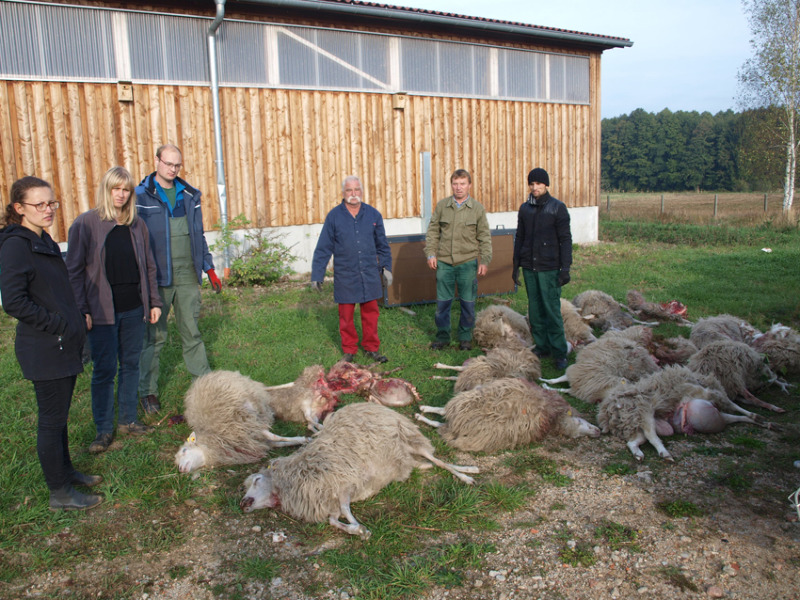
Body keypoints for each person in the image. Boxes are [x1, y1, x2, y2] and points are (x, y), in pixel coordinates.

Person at [0, 176, 103, 511]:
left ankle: (66, 471)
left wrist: (75, 318)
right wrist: (58, 324)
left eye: (51, 203)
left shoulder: (42, 239)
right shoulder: (16, 245)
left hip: (63, 343)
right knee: (51, 420)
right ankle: (59, 492)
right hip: (45, 347)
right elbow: (14, 302)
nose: (48, 210)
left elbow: (56, 291)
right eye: (39, 205)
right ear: (19, 208)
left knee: (59, 419)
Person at [66, 167, 163, 454]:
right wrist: (81, 309)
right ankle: (104, 429)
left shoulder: (137, 225)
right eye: (116, 189)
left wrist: (154, 302)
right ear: (106, 190)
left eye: (126, 190)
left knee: (131, 364)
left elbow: (149, 266)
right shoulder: (85, 224)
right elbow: (74, 272)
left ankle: (128, 420)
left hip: (133, 308)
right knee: (105, 371)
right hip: (102, 312)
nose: (121, 195)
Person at [135, 144, 221, 414]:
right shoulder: (140, 196)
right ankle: (147, 392)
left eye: (177, 165)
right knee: (154, 337)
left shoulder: (189, 195)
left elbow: (199, 234)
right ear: (157, 161)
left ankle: (204, 387)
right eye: (168, 163)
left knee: (191, 332)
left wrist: (208, 267)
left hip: (186, 275)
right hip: (156, 277)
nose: (172, 169)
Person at [311, 175, 392, 363]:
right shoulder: (334, 216)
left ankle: (372, 348)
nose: (353, 194)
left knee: (371, 314)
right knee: (346, 316)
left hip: (369, 273)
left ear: (361, 192)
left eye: (357, 190)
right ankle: (349, 351)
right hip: (346, 275)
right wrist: (317, 274)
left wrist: (386, 267)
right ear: (343, 193)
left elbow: (383, 245)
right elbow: (323, 247)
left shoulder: (373, 215)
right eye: (349, 190)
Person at [512, 167, 573, 371]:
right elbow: (519, 237)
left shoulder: (557, 208)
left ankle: (559, 351)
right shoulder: (524, 209)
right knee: (535, 310)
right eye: (532, 183)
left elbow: (565, 239)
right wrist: (516, 266)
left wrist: (565, 268)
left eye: (538, 183)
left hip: (549, 268)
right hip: (530, 267)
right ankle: (542, 345)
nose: (535, 187)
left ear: (546, 185)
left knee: (551, 310)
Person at [424, 169, 492, 351]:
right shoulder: (442, 206)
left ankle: (465, 337)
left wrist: (484, 260)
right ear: (451, 185)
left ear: (469, 185)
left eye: (462, 184)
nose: (459, 187)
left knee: (467, 303)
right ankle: (443, 336)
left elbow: (484, 236)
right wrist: (431, 254)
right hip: (444, 263)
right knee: (443, 304)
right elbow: (432, 232)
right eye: (455, 184)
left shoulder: (477, 209)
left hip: (467, 262)